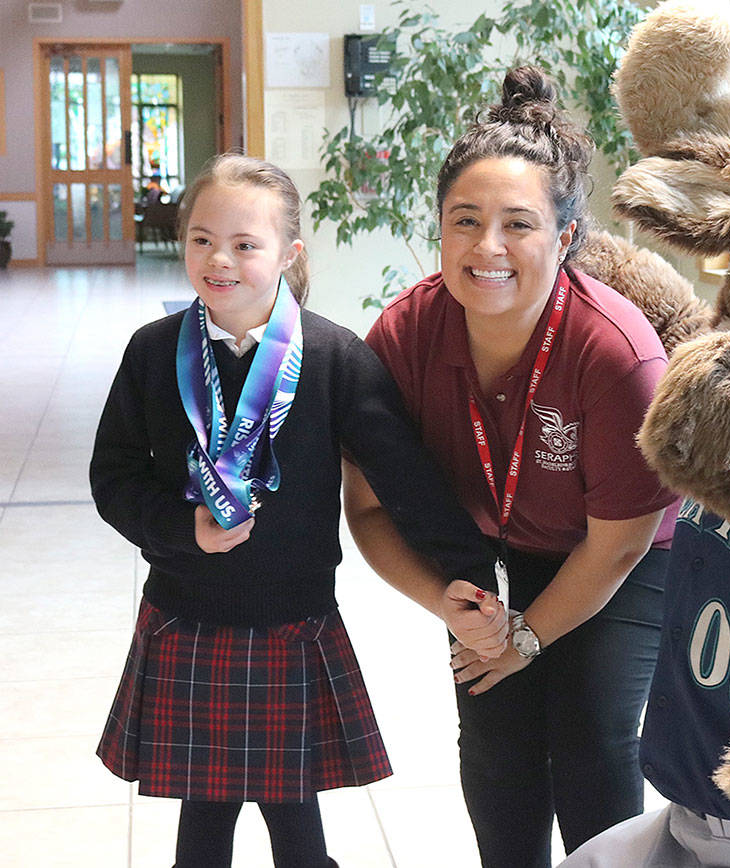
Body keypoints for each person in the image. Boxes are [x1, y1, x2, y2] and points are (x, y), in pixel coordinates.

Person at [90, 152, 503, 868]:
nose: (220, 259)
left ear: (289, 254)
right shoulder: (154, 353)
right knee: (204, 821)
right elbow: (114, 477)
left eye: (246, 244)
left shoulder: (335, 358)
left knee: (296, 826)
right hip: (186, 613)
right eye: (201, 239)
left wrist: (469, 571)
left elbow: (404, 477)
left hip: (291, 621)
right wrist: (181, 529)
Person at [344, 66, 679, 868]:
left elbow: (619, 546)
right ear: (438, 229)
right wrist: (447, 604)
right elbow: (371, 509)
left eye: (518, 225)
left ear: (565, 238)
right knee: (495, 736)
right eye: (465, 220)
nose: (487, 248)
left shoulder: (618, 355)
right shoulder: (403, 336)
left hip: (622, 557)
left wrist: (527, 637)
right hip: (497, 548)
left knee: (591, 736)